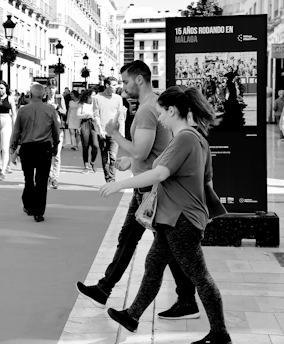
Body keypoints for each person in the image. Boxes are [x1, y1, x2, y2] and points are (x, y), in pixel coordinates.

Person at [101, 86, 231, 344]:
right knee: (153, 264)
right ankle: (132, 316)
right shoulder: (196, 138)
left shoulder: (184, 138)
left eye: (161, 112)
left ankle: (220, 333)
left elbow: (160, 173)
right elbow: (207, 181)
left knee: (200, 277)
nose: (159, 118)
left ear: (172, 111)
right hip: (177, 218)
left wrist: (118, 184)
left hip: (180, 219)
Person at [77, 60, 198, 321]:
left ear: (139, 79)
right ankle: (106, 288)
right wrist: (130, 161)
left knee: (150, 243)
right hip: (150, 184)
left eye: (125, 81)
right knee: (149, 242)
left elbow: (142, 149)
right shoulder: (153, 105)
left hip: (149, 188)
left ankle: (109, 290)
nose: (123, 87)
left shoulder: (145, 110)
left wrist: (114, 135)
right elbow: (154, 150)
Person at [11, 83, 60, 223]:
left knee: (28, 178)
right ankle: (39, 212)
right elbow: (56, 130)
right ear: (43, 95)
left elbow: (16, 131)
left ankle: (28, 205)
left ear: (30, 94)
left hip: (27, 148)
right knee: (42, 181)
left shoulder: (22, 110)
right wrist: (55, 145)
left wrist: (13, 147)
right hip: (44, 148)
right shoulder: (50, 110)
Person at [92, 77, 124, 183]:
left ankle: (112, 179)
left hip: (114, 132)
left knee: (113, 157)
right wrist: (100, 129)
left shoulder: (118, 98)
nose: (116, 87)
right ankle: (107, 178)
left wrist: (122, 133)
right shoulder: (97, 98)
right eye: (114, 85)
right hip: (102, 132)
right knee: (105, 157)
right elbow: (96, 115)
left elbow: (120, 116)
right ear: (107, 85)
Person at [43, 80, 66, 189]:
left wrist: (57, 107)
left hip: (58, 129)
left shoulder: (59, 98)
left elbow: (65, 111)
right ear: (46, 88)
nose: (52, 90)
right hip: (46, 129)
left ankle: (55, 178)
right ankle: (49, 175)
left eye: (53, 87)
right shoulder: (43, 99)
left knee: (56, 155)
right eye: (50, 87)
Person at [76, 89, 99, 174]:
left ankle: (92, 162)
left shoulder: (96, 104)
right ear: (88, 96)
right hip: (85, 123)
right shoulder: (82, 104)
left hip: (94, 124)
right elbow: (78, 115)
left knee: (95, 145)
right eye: (92, 95)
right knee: (85, 145)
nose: (94, 97)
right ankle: (86, 166)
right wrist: (87, 115)